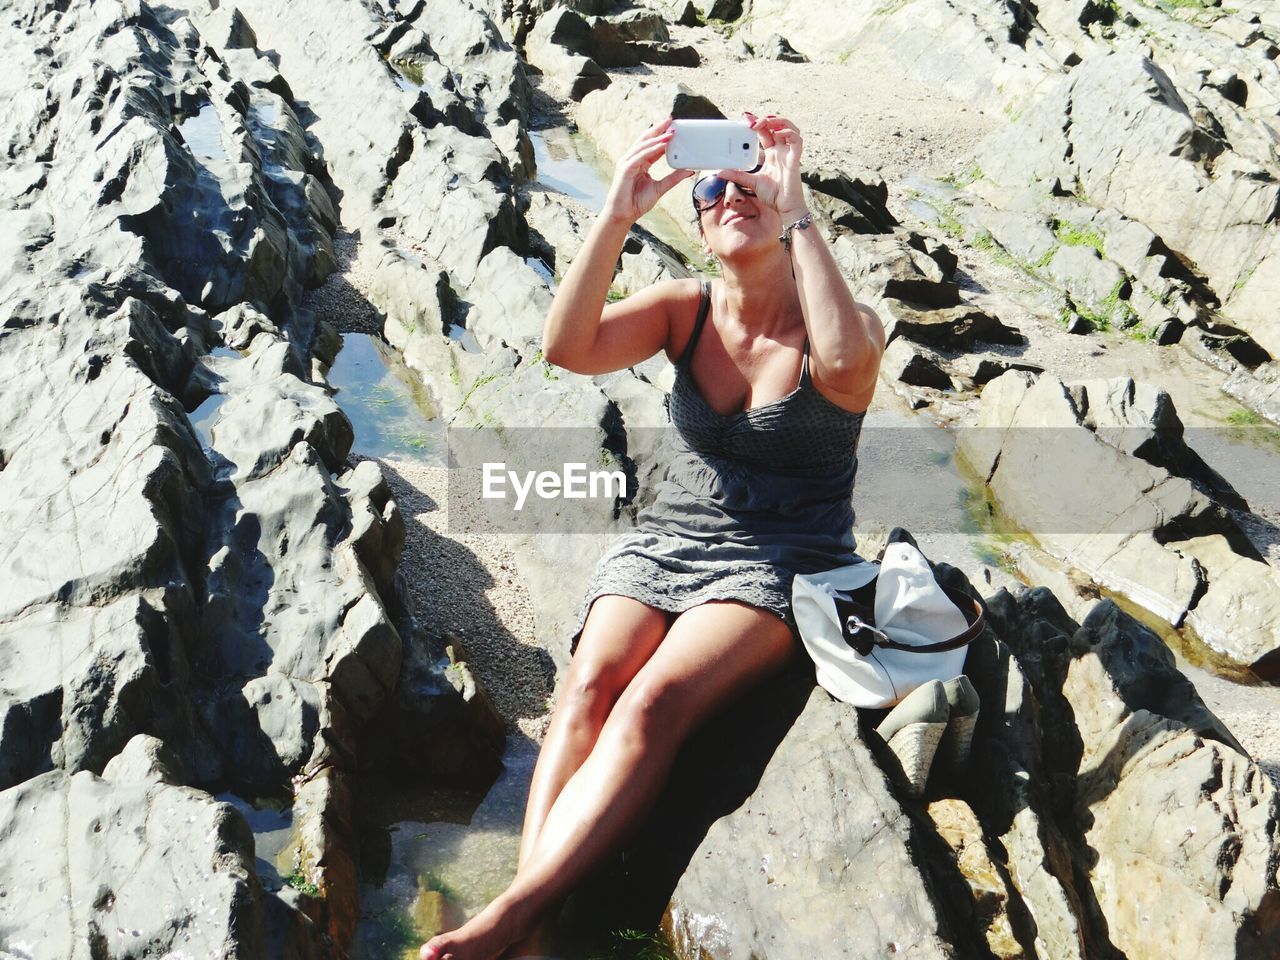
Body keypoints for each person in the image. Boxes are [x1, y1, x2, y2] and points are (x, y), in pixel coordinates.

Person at [420, 112, 885, 960]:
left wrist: (801, 204)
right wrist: (617, 212)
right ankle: (530, 912)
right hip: (668, 538)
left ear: (780, 210)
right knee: (591, 684)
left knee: (653, 703)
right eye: (714, 189)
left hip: (783, 559)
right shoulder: (685, 309)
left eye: (751, 184)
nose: (733, 194)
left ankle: (514, 917)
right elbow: (567, 347)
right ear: (701, 232)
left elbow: (851, 370)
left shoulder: (836, 321)